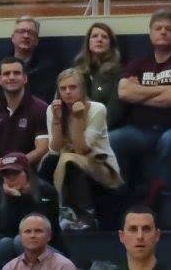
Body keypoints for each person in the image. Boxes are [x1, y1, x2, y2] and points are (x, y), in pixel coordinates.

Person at [110, 9, 171, 203]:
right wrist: (165, 89)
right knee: (113, 139)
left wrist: (140, 91)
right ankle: (122, 196)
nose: (163, 32)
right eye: (158, 28)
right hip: (141, 130)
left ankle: (162, 197)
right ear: (150, 33)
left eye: (169, 28)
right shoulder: (138, 63)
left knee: (170, 140)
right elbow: (124, 92)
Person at [0, 57, 50, 233]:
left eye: (16, 73)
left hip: (30, 169)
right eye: (6, 73)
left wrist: (15, 165)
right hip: (0, 168)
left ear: (25, 78)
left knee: (17, 179)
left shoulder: (40, 108)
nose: (11, 77)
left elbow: (43, 147)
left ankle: (11, 233)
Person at [47, 68, 120, 232]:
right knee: (56, 161)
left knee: (69, 159)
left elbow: (82, 149)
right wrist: (57, 121)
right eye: (63, 88)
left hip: (101, 165)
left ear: (82, 89)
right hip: (65, 163)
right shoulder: (53, 109)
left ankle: (86, 215)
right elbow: (53, 149)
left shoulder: (97, 109)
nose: (67, 92)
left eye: (73, 87)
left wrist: (78, 118)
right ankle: (61, 215)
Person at [71, 22, 125, 129]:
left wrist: (96, 130)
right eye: (95, 36)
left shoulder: (118, 72)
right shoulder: (77, 71)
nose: (99, 39)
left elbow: (115, 111)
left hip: (105, 128)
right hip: (78, 126)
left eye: (104, 37)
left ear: (111, 44)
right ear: (88, 43)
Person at [0, 16, 60, 104]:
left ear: (37, 40)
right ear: (13, 38)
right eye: (21, 31)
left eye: (30, 32)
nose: (26, 36)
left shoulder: (47, 70)